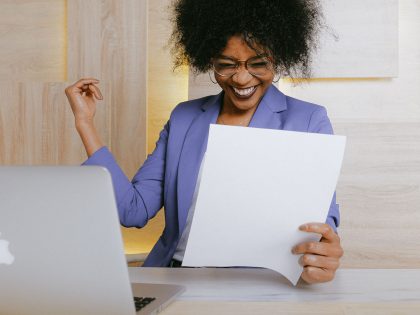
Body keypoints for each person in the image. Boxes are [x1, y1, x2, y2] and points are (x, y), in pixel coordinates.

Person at [65, 0, 343, 284]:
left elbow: (323, 221)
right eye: (226, 64)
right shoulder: (184, 118)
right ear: (209, 59)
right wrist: (85, 124)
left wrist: (323, 250)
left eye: (258, 63)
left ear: (278, 57)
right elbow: (133, 210)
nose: (241, 77)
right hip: (175, 279)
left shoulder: (309, 121)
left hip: (260, 284)